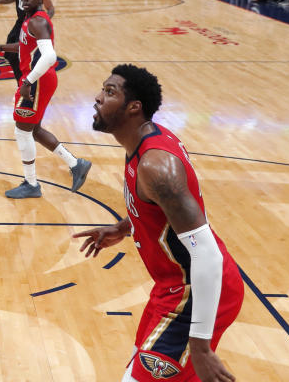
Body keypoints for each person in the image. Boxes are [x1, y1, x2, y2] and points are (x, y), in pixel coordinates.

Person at [75, 65, 243, 382]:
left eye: (110, 92)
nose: (97, 98)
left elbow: (207, 254)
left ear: (134, 107)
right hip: (172, 287)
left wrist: (201, 346)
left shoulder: (156, 165)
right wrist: (125, 227)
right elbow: (158, 208)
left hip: (195, 291)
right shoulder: (143, 142)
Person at [0, 0, 91, 198]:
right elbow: (25, 45)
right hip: (38, 79)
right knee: (33, 129)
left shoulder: (38, 21)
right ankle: (76, 164)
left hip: (37, 79)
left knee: (22, 131)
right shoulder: (30, 19)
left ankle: (31, 184)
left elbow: (50, 56)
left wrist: (27, 82)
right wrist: (2, 47)